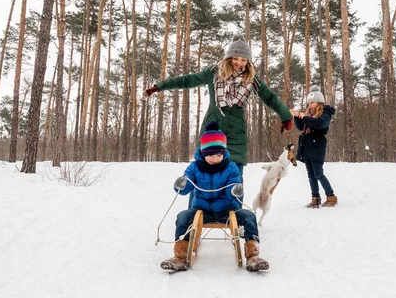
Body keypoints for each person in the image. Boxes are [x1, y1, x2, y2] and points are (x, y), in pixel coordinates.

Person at [144, 34, 293, 178]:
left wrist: (285, 115)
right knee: (203, 174)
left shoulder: (252, 79)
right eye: (235, 58)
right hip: (212, 129)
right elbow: (187, 80)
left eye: (243, 60)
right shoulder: (214, 73)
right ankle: (195, 205)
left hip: (236, 134)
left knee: (234, 178)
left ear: (248, 61)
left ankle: (234, 205)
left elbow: (270, 98)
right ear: (229, 58)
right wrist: (160, 86)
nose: (239, 63)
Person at [160, 121, 269, 272]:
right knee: (183, 217)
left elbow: (232, 185)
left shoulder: (230, 167)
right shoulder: (195, 167)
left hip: (226, 209)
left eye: (219, 154)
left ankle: (253, 256)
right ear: (203, 152)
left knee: (249, 216)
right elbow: (186, 188)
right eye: (211, 154)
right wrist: (181, 184)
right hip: (202, 210)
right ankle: (180, 256)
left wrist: (234, 191)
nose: (215, 158)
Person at [290, 85, 338, 209]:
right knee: (310, 175)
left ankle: (331, 196)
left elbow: (320, 124)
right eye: (309, 102)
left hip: (317, 146)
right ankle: (315, 198)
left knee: (318, 173)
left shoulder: (325, 113)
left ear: (319, 102)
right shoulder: (309, 114)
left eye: (312, 102)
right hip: (306, 146)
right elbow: (301, 127)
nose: (310, 105)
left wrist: (304, 117)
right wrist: (297, 117)